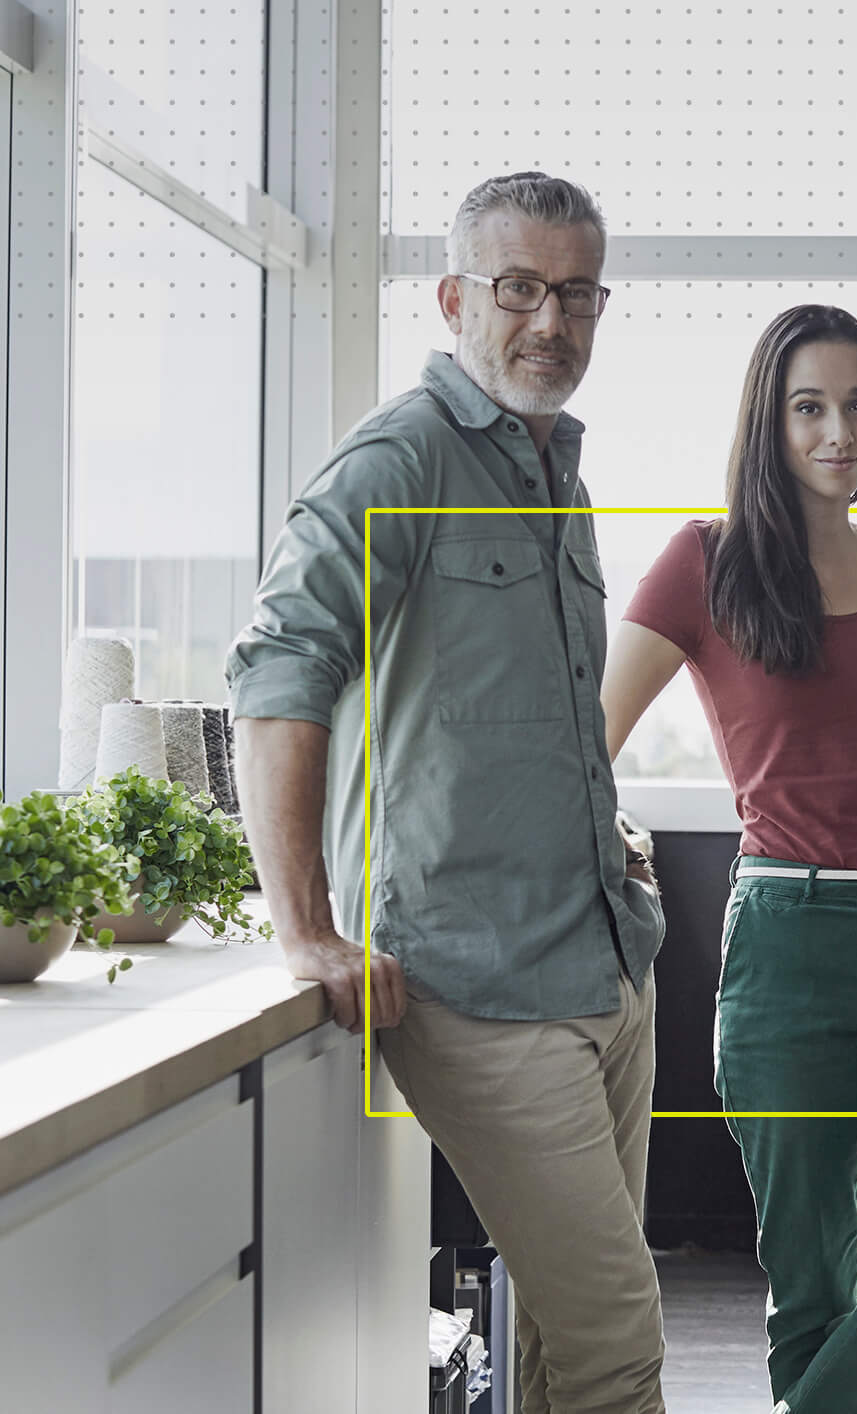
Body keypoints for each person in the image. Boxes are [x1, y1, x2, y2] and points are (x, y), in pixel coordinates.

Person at [227, 171, 668, 1414]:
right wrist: (304, 926)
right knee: (618, 1340)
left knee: (558, 1342)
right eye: (517, 288)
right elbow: (276, 673)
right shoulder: (393, 460)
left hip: (607, 961)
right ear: (453, 297)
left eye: (576, 294)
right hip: (478, 987)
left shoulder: (555, 473)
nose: (549, 322)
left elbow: (526, 709)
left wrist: (606, 837)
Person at [599, 304, 857, 1414]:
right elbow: (586, 739)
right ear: (768, 421)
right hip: (789, 938)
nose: (840, 431)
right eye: (810, 407)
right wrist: (605, 845)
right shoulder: (702, 559)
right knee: (810, 1284)